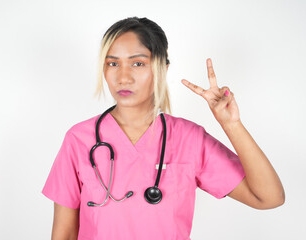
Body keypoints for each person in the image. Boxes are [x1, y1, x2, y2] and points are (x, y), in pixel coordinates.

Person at [42, 17, 285, 240]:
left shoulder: (190, 139)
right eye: (113, 63)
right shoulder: (79, 139)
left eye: (137, 63)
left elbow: (268, 198)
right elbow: (63, 233)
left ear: (162, 68)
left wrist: (232, 125)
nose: (123, 77)